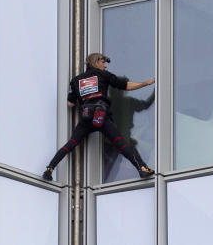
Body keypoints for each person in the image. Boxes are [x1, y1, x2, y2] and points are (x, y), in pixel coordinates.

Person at [42, 53, 155, 181]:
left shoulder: (76, 80)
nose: (105, 65)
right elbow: (126, 85)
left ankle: (49, 169)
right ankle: (142, 168)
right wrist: (147, 83)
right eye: (103, 62)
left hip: (86, 117)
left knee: (71, 144)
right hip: (101, 116)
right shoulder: (103, 75)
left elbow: (70, 103)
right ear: (96, 62)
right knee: (121, 143)